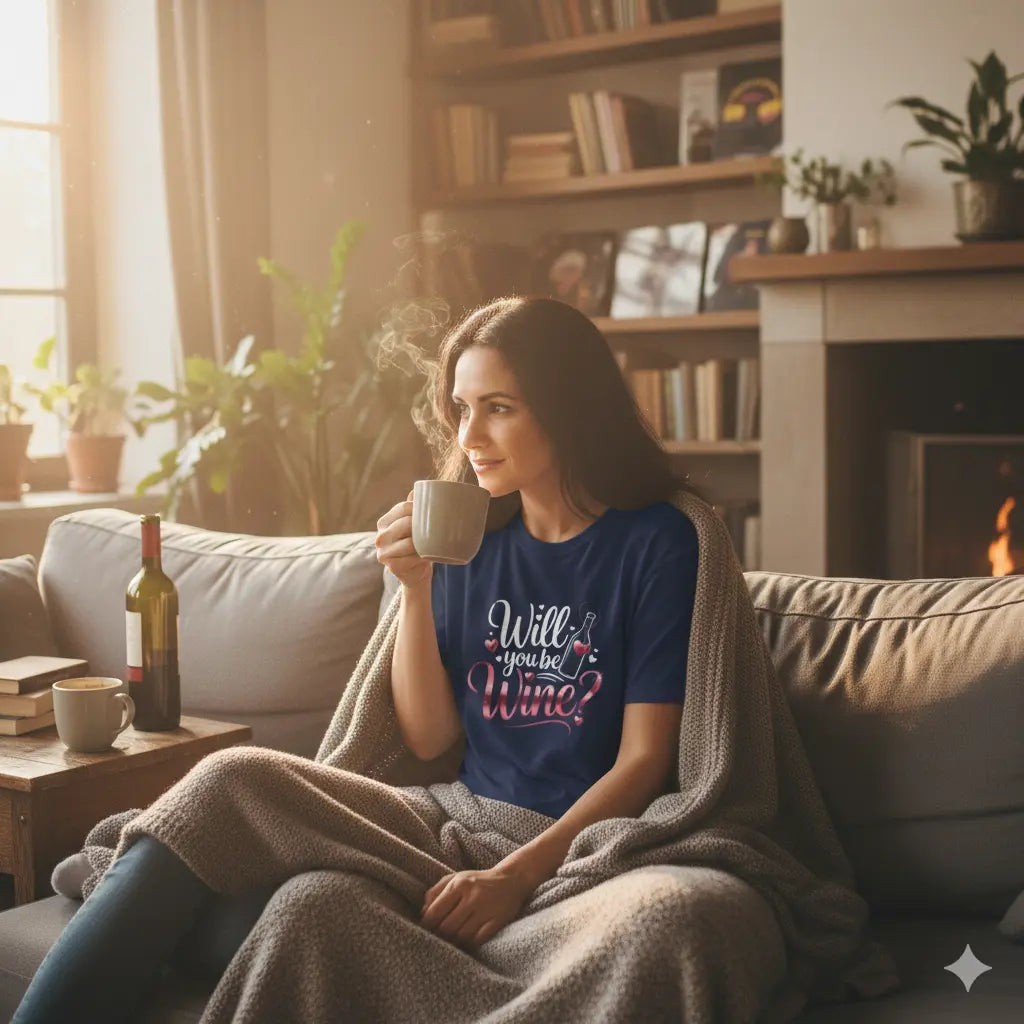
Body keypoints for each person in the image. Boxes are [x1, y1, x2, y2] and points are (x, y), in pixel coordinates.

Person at [13, 295, 703, 1023]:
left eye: (498, 407)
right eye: (460, 408)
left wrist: (513, 878)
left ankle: (156, 903)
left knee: (314, 907)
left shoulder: (654, 543)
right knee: (229, 778)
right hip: (450, 822)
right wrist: (414, 588)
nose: (469, 435)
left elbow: (643, 761)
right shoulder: (473, 536)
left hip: (568, 844)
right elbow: (430, 738)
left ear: (568, 408)